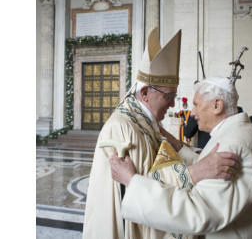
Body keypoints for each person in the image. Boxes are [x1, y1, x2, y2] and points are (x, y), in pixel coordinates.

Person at [83, 28, 240, 239]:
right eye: (169, 96)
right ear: (146, 93)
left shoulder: (146, 120)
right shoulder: (122, 126)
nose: (173, 103)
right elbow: (133, 185)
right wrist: (194, 173)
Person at [110, 76, 252, 239]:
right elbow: (207, 166)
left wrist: (132, 183)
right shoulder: (236, 133)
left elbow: (200, 212)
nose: (193, 113)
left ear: (217, 105)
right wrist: (173, 141)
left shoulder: (235, 144)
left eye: (196, 104)